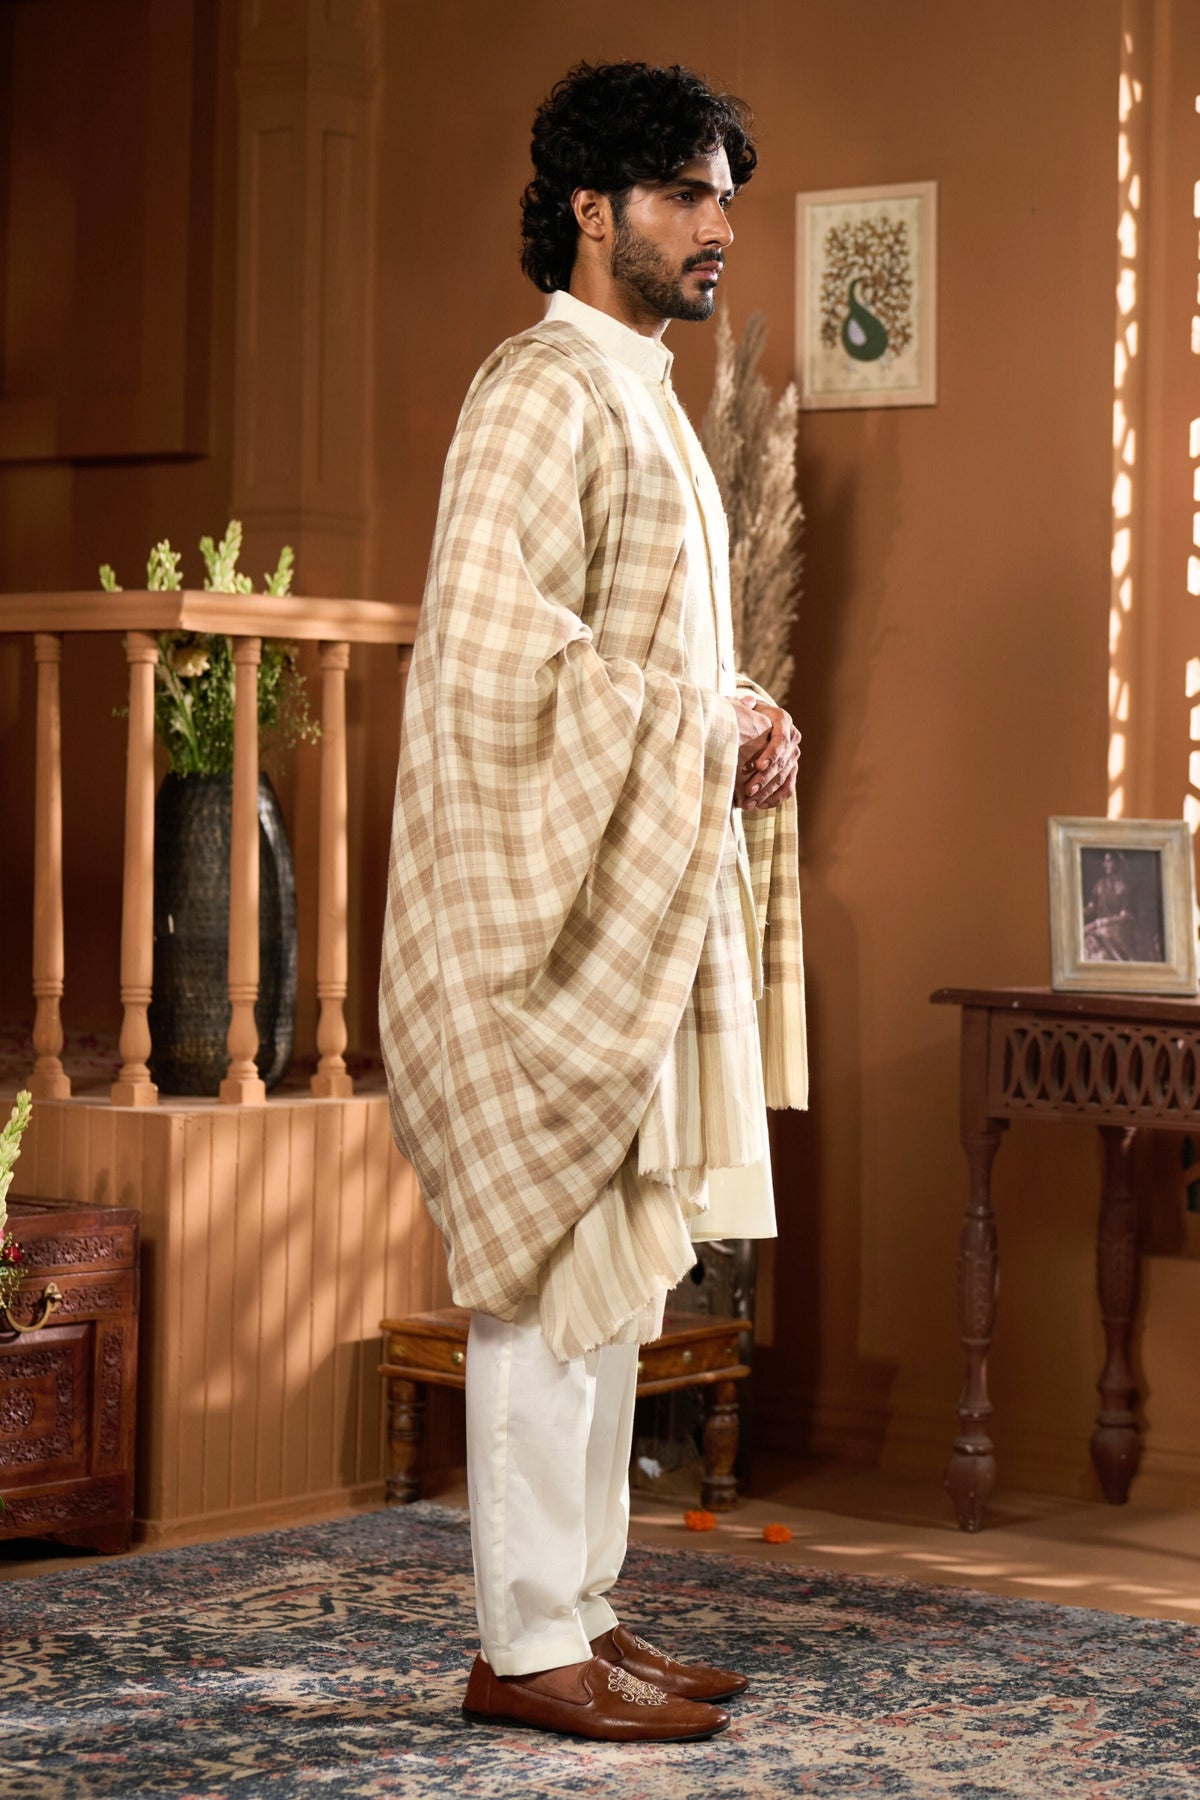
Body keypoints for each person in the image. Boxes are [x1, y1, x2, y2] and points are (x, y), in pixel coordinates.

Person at [379, 59, 807, 1744]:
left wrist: (739, 711)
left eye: (725, 201)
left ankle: (580, 1615)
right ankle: (522, 1642)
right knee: (546, 1264)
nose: (718, 229)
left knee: (615, 1263)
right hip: (540, 912)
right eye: (686, 195)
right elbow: (500, 664)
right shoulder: (541, 389)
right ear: (589, 205)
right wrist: (703, 724)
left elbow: (635, 653)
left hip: (631, 890)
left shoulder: (644, 394)